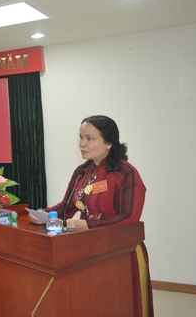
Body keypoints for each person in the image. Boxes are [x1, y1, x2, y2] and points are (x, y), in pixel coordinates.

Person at [29, 115, 153, 317]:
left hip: (120, 251)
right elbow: (67, 207)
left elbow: (130, 218)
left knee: (117, 304)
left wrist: (89, 226)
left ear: (109, 143)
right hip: (86, 248)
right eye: (80, 137)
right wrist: (42, 214)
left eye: (89, 138)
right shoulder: (82, 171)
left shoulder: (126, 173)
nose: (82, 144)